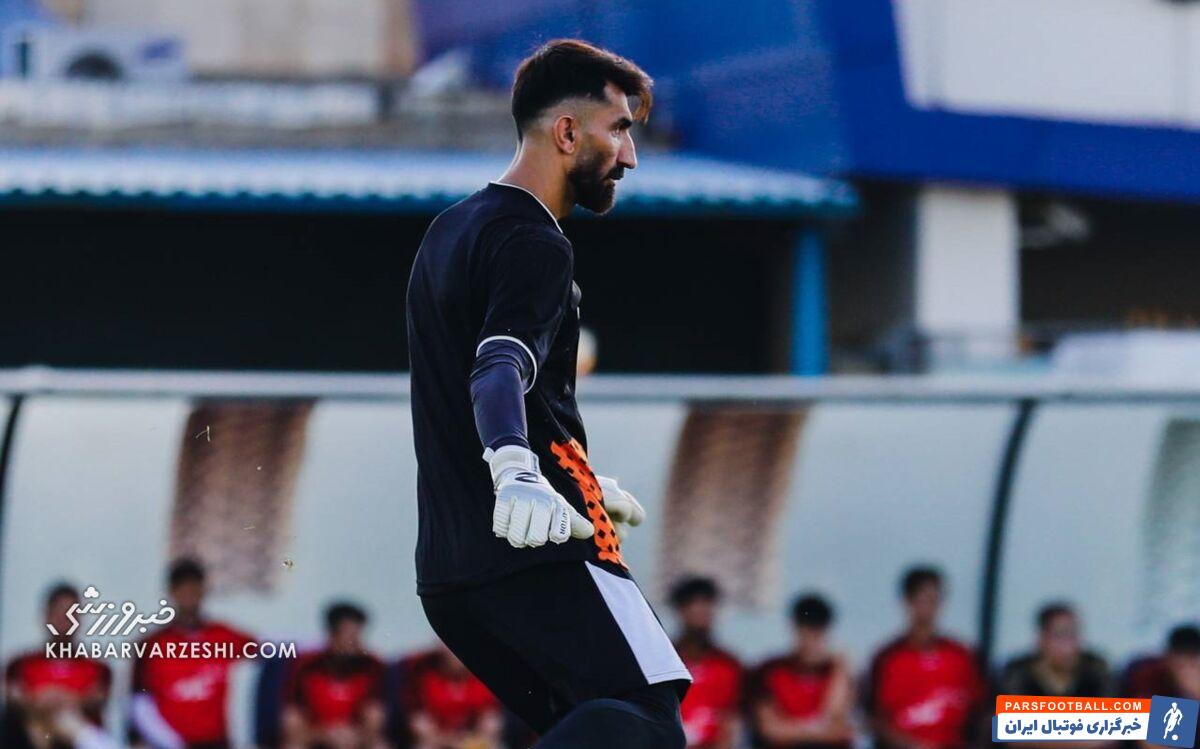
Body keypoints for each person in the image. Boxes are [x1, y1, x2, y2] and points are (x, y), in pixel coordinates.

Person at [405, 37, 690, 748]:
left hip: (453, 573)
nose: (630, 156)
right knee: (648, 719)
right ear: (567, 133)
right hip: (537, 548)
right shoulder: (536, 242)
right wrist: (518, 470)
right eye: (618, 129)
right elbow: (498, 366)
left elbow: (474, 380)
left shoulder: (448, 231)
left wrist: (578, 472)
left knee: (593, 729)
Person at [130, 558, 256, 749]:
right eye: (182, 588)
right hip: (168, 745)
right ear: (171, 592)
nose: (188, 595)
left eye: (194, 588)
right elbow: (138, 704)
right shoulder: (151, 645)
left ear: (203, 590)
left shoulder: (225, 637)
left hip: (216, 744)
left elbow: (272, 652)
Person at [863, 567, 984, 749]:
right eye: (923, 599)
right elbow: (872, 717)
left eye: (935, 600)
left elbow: (986, 709)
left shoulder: (963, 656)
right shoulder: (886, 658)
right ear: (907, 602)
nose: (930, 608)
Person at [3, 582, 117, 749]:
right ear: (46, 616)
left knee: (66, 720)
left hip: (75, 738)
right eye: (59, 612)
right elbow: (15, 699)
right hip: (32, 737)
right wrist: (42, 703)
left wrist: (63, 701)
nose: (64, 620)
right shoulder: (20, 665)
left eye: (71, 613)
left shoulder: (97, 668)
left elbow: (97, 699)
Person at [747, 594, 854, 749]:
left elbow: (838, 726)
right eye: (806, 630)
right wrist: (819, 731)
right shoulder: (769, 671)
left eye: (818, 632)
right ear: (794, 628)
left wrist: (840, 670)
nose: (811, 639)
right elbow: (769, 730)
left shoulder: (836, 672)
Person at [281, 602, 389, 749]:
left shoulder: (373, 667)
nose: (355, 642)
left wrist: (355, 736)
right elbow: (292, 718)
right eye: (349, 636)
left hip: (358, 739)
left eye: (358, 635)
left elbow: (375, 716)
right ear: (332, 635)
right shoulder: (305, 667)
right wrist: (324, 735)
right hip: (315, 738)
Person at [668, 577, 743, 749]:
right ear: (681, 611)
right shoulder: (664, 663)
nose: (702, 612)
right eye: (694, 605)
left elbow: (731, 723)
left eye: (707, 605)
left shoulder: (729, 666)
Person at [397, 642, 504, 749]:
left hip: (472, 740)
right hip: (437, 741)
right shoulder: (423, 675)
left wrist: (473, 740)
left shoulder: (481, 678)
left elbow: (491, 720)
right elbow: (419, 724)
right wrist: (450, 741)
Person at [1126, 625, 1200, 700]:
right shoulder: (1146, 674)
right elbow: (1132, 705)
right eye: (1180, 666)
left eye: (1192, 665)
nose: (1187, 672)